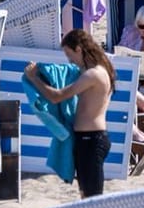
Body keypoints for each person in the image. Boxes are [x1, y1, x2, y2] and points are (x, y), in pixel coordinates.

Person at [22, 30, 116, 197]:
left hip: (92, 139)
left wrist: (34, 78)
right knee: (86, 194)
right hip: (88, 139)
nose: (69, 59)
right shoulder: (97, 70)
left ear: (79, 49)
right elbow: (66, 74)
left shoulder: (93, 74)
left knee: (93, 197)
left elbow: (56, 97)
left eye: (69, 54)